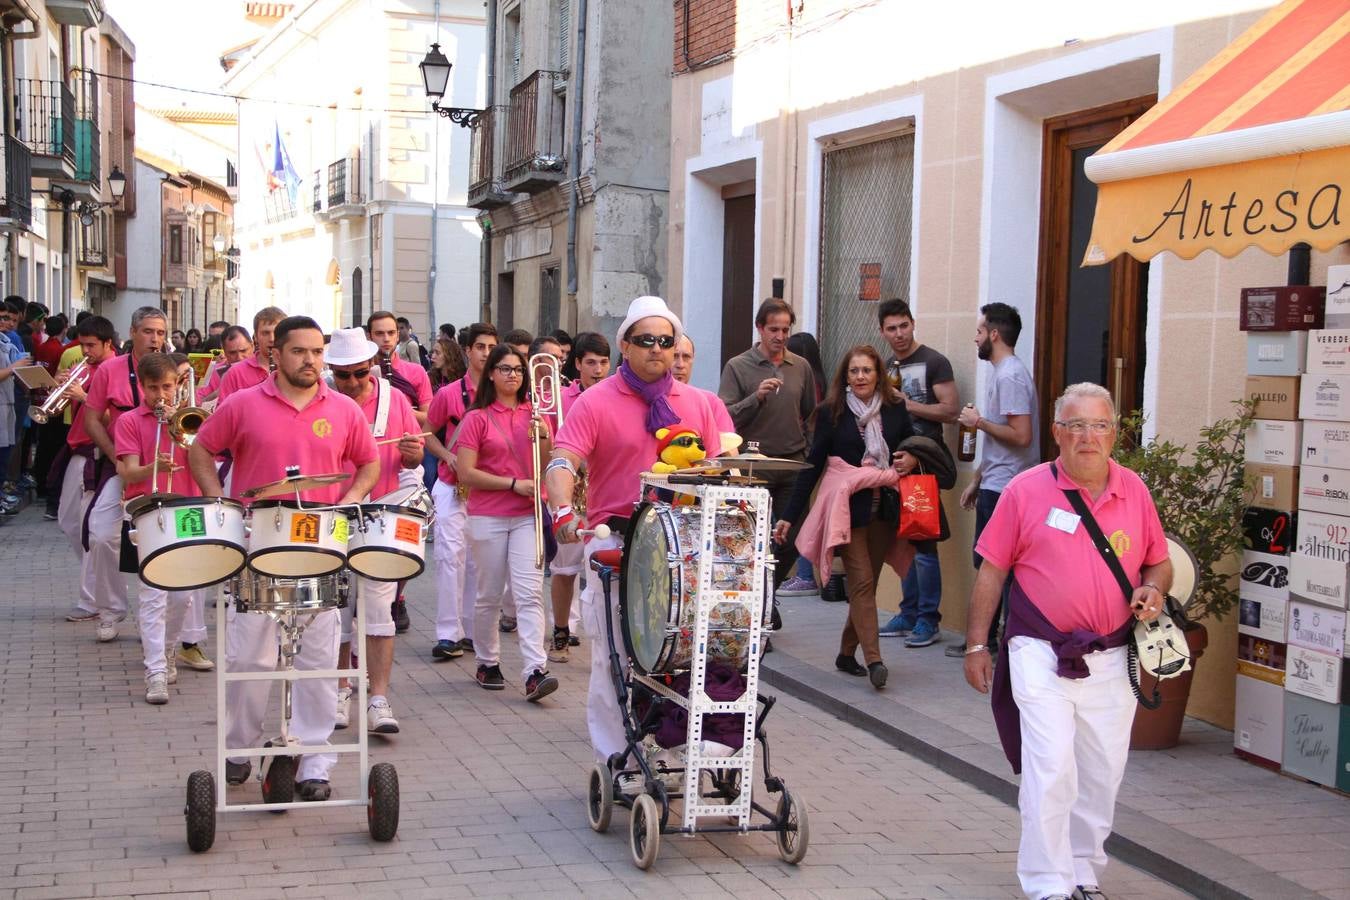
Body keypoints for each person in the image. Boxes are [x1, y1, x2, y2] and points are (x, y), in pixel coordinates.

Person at [963, 383, 1170, 900]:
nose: (1088, 437)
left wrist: (1154, 588)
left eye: (1099, 425)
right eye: (1076, 425)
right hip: (1039, 650)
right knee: (1051, 767)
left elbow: (1158, 561)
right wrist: (976, 645)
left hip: (1113, 655)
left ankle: (1082, 869)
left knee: (1102, 772)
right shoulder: (1025, 491)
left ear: (1114, 434)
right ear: (1057, 433)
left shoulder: (1135, 490)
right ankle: (1046, 882)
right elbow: (992, 571)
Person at [188, 315, 379, 802]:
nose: (311, 360)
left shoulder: (343, 409)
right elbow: (201, 450)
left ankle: (313, 761)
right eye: (300, 351)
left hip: (322, 542)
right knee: (249, 655)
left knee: (317, 659)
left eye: (317, 352)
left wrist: (349, 499)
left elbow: (369, 462)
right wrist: (219, 503)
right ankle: (239, 749)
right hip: (259, 543)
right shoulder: (242, 403)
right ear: (276, 354)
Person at [544, 295, 725, 766]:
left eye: (666, 341)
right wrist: (562, 511)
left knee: (679, 656)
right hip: (617, 544)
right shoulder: (595, 401)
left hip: (684, 549)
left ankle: (676, 749)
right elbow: (562, 461)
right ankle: (617, 758)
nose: (657, 349)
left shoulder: (700, 403)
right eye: (646, 340)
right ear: (625, 345)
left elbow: (725, 470)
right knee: (614, 657)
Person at [774, 345, 918, 690]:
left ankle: (845, 653)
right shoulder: (832, 412)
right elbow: (813, 467)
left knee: (868, 585)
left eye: (867, 370)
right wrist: (789, 516)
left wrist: (911, 457)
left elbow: (914, 444)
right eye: (854, 371)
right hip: (848, 512)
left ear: (878, 374)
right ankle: (875, 661)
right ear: (846, 376)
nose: (861, 377)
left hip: (885, 508)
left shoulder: (895, 408)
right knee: (862, 583)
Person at [325, 328, 424, 734]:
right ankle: (339, 690)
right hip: (332, 514)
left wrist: (413, 454)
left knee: (379, 611)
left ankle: (378, 698)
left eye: (359, 373)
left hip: (380, 515)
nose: (351, 382)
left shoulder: (394, 399)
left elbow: (412, 457)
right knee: (336, 609)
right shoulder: (322, 401)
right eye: (342, 375)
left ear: (371, 367)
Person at [456, 344, 559, 701]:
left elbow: (546, 463)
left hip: (527, 514)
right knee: (489, 593)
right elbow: (465, 473)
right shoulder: (477, 418)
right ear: (491, 374)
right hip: (488, 514)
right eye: (504, 368)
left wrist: (543, 437)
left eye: (517, 369)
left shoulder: (535, 414)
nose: (512, 375)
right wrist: (512, 484)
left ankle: (535, 670)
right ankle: (487, 661)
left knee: (530, 593)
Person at [112, 353, 209, 704]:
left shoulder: (190, 419)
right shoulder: (128, 421)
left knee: (183, 596)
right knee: (152, 594)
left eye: (166, 387)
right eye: (153, 388)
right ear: (141, 386)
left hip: (187, 510)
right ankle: (154, 671)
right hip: (148, 510)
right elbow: (127, 472)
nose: (160, 395)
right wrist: (153, 466)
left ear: (177, 385)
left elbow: (207, 460)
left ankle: (168, 649)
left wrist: (177, 427)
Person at [949, 302, 1039, 658]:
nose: (975, 338)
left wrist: (979, 423)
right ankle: (988, 639)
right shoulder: (1002, 372)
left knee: (996, 566)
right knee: (990, 564)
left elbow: (1022, 436)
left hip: (1007, 488)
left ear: (995, 334)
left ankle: (995, 642)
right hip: (995, 482)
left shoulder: (1010, 376)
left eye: (979, 331)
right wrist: (977, 479)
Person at [80, 307, 169, 641]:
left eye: (160, 333)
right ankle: (110, 610)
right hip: (121, 464)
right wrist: (114, 455)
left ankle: (162, 622)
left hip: (165, 465)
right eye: (148, 331)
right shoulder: (110, 369)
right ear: (132, 332)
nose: (155, 339)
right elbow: (91, 419)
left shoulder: (176, 368)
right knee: (101, 535)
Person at [719, 298, 817, 593]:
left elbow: (811, 414)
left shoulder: (800, 366)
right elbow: (725, 417)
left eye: (786, 330)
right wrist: (756, 398)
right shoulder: (738, 366)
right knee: (748, 539)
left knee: (794, 538)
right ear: (759, 328)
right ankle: (758, 602)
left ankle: (765, 593)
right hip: (752, 466)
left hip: (792, 464)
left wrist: (808, 451)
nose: (780, 336)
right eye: (774, 329)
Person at [877, 298, 960, 649]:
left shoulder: (934, 361)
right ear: (882, 332)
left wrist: (906, 403)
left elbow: (951, 410)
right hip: (892, 467)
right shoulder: (884, 366)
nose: (899, 333)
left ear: (913, 324)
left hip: (923, 467)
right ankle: (908, 613)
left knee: (924, 546)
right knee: (902, 543)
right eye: (891, 328)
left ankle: (929, 619)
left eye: (904, 326)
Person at [426, 322, 497, 660]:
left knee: (479, 563)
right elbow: (428, 433)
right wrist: (447, 455)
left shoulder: (504, 393)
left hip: (488, 489)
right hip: (451, 485)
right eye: (480, 347)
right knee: (449, 557)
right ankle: (447, 634)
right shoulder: (449, 393)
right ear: (468, 351)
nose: (486, 353)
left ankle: (471, 631)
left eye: (491, 348)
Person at [547, 331, 612, 662]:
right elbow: (552, 447)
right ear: (577, 364)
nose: (598, 370)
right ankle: (560, 632)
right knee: (565, 568)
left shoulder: (616, 398)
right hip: (571, 491)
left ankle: (606, 644)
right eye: (591, 363)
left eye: (603, 363)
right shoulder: (561, 399)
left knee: (604, 573)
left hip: (603, 493)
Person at [55, 316, 116, 621]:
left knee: (88, 529)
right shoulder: (87, 368)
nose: (86, 351)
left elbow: (115, 418)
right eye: (83, 345)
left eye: (91, 345)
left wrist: (84, 397)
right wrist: (59, 389)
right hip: (75, 449)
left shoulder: (113, 370)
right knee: (68, 521)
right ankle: (99, 580)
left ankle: (91, 600)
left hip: (96, 453)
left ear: (108, 343)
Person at [778, 331, 828, 597]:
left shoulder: (805, 380)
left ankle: (805, 575)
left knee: (798, 517)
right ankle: (803, 574)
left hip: (804, 456)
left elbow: (807, 418)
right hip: (813, 455)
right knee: (802, 515)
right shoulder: (821, 381)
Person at [367, 310, 432, 421]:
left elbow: (428, 419)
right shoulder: (361, 372)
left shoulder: (417, 371)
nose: (386, 339)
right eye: (379, 333)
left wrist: (400, 407)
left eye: (391, 333)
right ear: (369, 337)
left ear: (397, 336)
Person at [218, 307, 287, 401]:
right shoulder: (235, 373)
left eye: (277, 332)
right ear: (256, 337)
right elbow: (225, 410)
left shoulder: (298, 370)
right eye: (265, 333)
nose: (272, 339)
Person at [199, 326, 254, 404]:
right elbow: (198, 405)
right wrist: (221, 391)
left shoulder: (265, 368)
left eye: (243, 351)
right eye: (232, 353)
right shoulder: (212, 372)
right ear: (224, 351)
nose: (239, 357)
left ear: (252, 346)